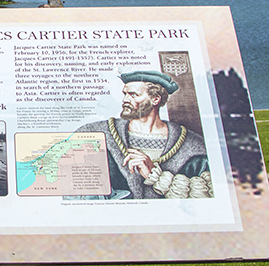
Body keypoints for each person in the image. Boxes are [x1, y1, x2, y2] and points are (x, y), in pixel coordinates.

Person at [76, 70, 211, 200]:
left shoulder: (193, 146)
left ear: (155, 99)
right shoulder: (92, 133)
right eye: (125, 94)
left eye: (134, 95)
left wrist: (156, 175)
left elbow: (206, 198)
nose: (125, 100)